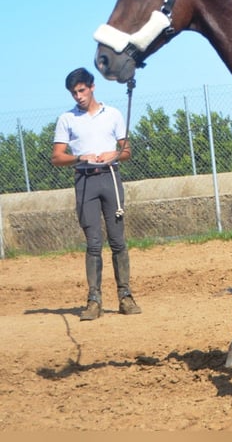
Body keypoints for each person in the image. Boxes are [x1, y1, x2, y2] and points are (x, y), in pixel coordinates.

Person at [51, 67, 141, 321]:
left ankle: (125, 297)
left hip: (110, 178)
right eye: (73, 92)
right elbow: (57, 157)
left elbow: (126, 151)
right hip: (85, 182)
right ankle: (94, 301)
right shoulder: (67, 119)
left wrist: (111, 154)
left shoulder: (112, 114)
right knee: (93, 244)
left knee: (118, 241)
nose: (78, 96)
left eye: (81, 90)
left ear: (92, 87)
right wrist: (80, 157)